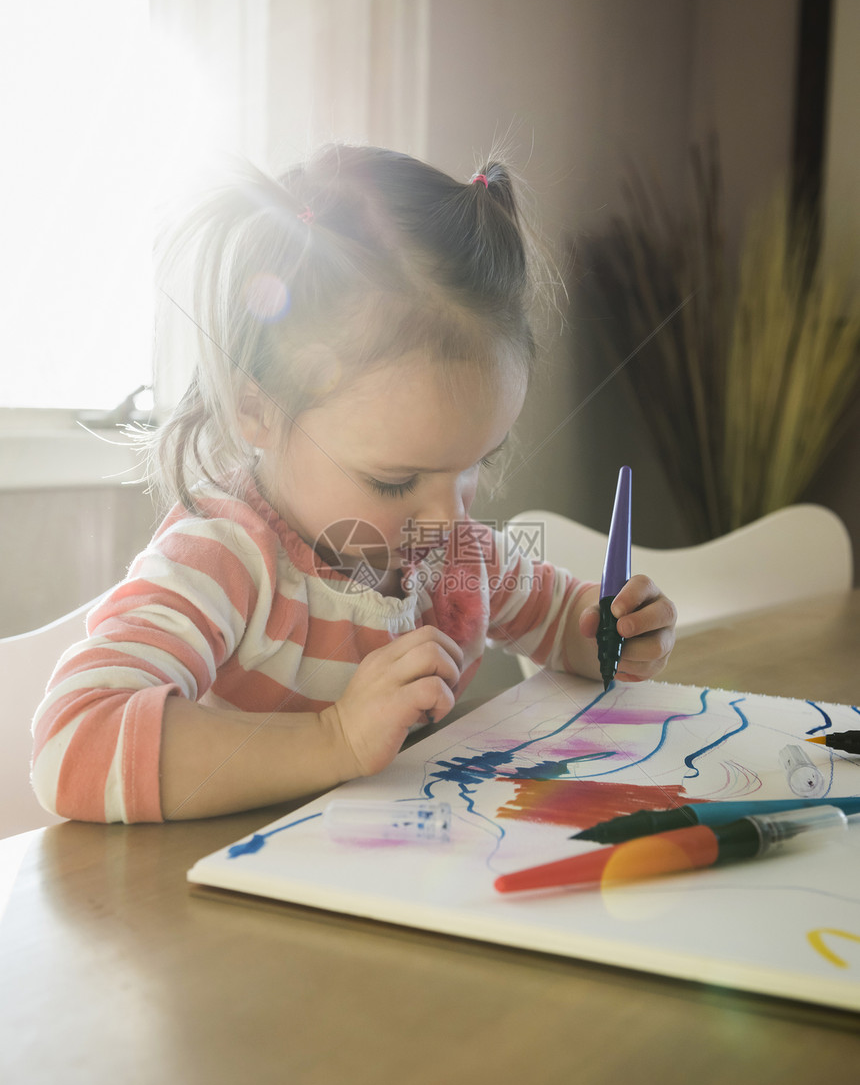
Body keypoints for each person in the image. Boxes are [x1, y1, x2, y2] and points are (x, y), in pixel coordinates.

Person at [31, 145, 676, 824]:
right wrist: (332, 738)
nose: (447, 514)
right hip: (222, 904)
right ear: (258, 411)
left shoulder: (450, 554)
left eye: (475, 463)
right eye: (395, 481)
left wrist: (612, 630)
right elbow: (72, 742)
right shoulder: (226, 560)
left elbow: (560, 625)